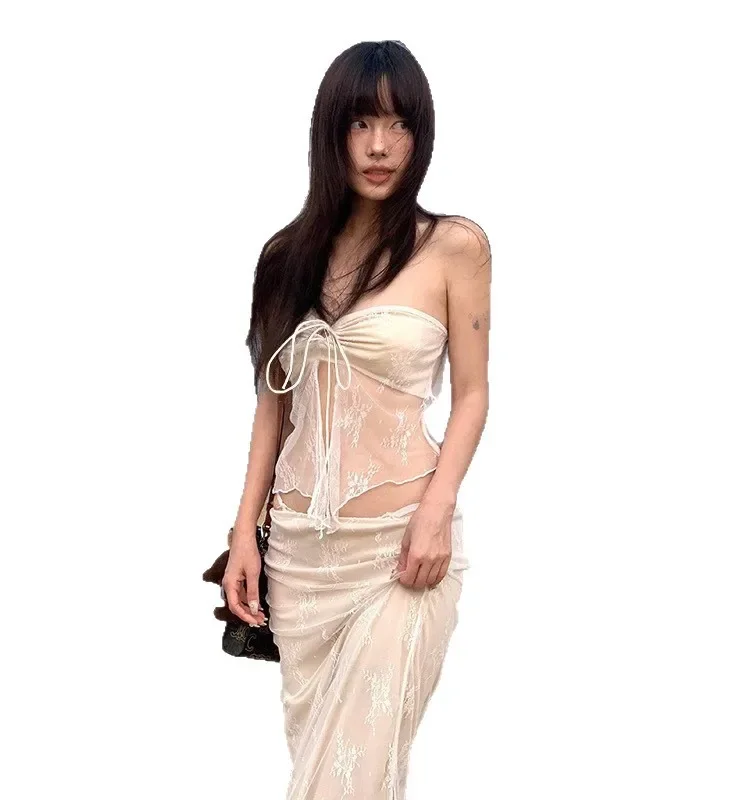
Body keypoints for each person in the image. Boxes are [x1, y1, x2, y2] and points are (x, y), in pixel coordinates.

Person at [224, 40, 490, 799]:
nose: (380, 145)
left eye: (400, 125)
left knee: (351, 778)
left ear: (421, 136)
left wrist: (436, 512)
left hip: (403, 552)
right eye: (361, 123)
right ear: (330, 131)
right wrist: (244, 533)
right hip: (299, 560)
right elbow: (273, 406)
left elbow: (473, 394)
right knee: (326, 770)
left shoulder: (455, 247)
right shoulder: (286, 257)